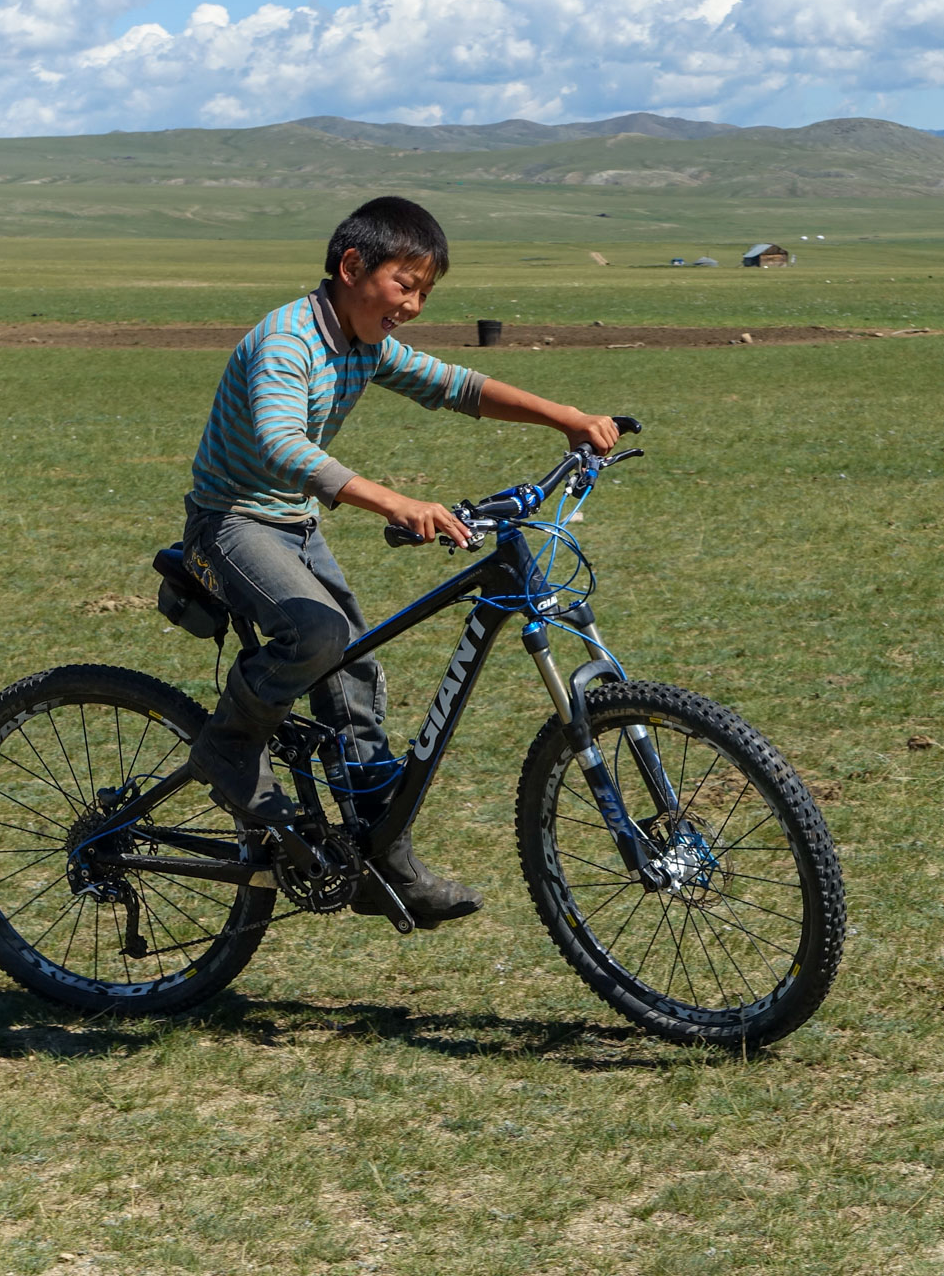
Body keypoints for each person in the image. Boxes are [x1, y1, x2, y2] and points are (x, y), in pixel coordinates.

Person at [180, 196, 619, 928]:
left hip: (295, 521)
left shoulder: (362, 344)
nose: (413, 306)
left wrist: (566, 417)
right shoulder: (288, 340)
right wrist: (395, 503)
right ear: (352, 267)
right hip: (231, 522)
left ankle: (384, 863)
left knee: (354, 677)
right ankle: (227, 746)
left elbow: (455, 386)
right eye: (404, 285)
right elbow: (282, 445)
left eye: (425, 292)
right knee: (319, 635)